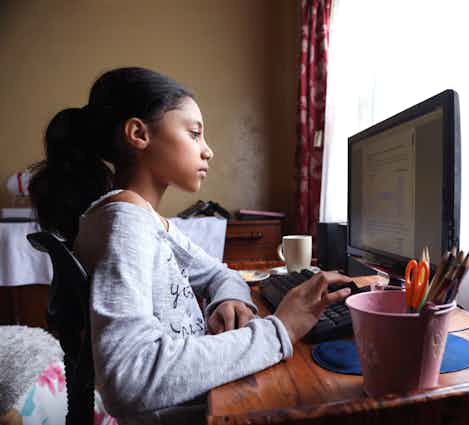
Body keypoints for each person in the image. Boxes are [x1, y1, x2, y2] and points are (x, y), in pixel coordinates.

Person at [28, 67, 352, 424]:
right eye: (194, 133)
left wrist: (229, 298)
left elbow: (218, 272)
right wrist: (282, 330)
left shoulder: (144, 218)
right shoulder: (125, 221)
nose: (208, 151)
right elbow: (130, 377)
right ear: (139, 133)